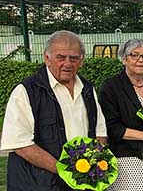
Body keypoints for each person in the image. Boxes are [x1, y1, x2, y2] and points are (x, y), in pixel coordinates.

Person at [1, 30, 108, 190]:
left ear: (81, 60)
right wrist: (67, 170)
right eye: (61, 57)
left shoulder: (87, 89)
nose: (67, 63)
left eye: (73, 58)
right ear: (47, 58)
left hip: (81, 182)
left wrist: (94, 166)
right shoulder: (26, 91)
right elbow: (21, 145)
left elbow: (100, 133)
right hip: (38, 185)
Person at [99, 39, 143, 191]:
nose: (141, 60)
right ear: (124, 59)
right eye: (135, 55)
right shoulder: (111, 87)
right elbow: (111, 128)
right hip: (127, 159)